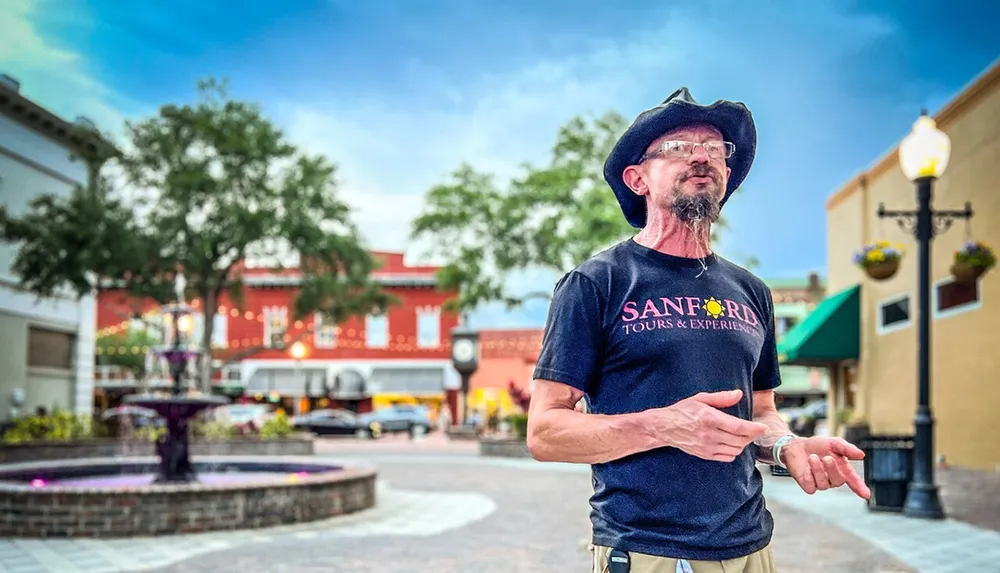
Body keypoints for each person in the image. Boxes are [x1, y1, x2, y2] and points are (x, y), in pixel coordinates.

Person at [527, 87, 871, 573]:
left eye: (714, 149)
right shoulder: (596, 283)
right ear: (637, 178)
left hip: (752, 546)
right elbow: (545, 432)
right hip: (649, 550)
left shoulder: (750, 290)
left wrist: (786, 447)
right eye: (678, 147)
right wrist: (665, 425)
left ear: (727, 175)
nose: (701, 157)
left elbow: (763, 411)